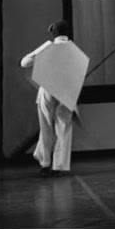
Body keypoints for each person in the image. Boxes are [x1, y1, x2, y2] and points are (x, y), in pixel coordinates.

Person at [20, 20, 75, 177]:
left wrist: (41, 50)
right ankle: (58, 166)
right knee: (63, 128)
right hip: (67, 91)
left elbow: (24, 63)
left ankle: (45, 164)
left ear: (53, 33)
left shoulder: (48, 47)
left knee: (46, 127)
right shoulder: (74, 50)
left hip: (48, 89)